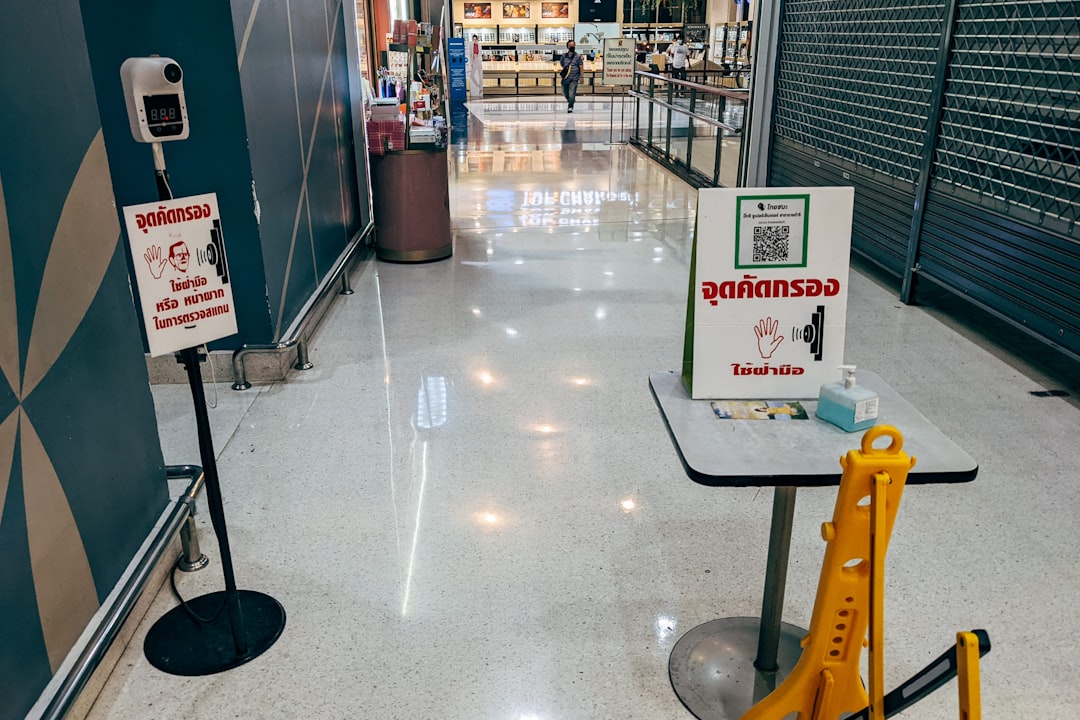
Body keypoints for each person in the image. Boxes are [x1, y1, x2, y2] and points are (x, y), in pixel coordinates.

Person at [559, 40, 584, 113]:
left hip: (574, 78)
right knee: (564, 92)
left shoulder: (578, 56)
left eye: (573, 45)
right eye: (570, 46)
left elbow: (581, 67)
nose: (572, 47)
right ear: (567, 47)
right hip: (565, 78)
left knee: (572, 92)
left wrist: (581, 77)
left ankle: (570, 106)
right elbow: (562, 64)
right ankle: (571, 100)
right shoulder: (564, 56)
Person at [468, 34, 483, 99]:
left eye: (475, 39)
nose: (474, 40)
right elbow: (470, 54)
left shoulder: (479, 45)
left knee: (480, 75)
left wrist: (477, 55)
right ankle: (478, 85)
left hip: (479, 61)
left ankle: (480, 89)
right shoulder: (471, 45)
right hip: (474, 61)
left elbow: (480, 53)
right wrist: (471, 62)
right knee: (471, 76)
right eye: (473, 39)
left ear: (477, 39)